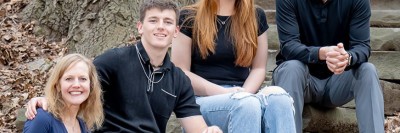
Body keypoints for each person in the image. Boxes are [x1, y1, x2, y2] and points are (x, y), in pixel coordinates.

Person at [24, 0, 222, 132]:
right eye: (153, 20)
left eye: (168, 22)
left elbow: (197, 128)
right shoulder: (115, 60)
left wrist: (209, 131)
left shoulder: (179, 80)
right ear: (140, 27)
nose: (161, 26)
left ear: (176, 31)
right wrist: (47, 99)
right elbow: (79, 85)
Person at [171, 0, 296, 132]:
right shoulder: (189, 16)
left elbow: (258, 68)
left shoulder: (255, 15)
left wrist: (244, 94)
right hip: (203, 100)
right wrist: (226, 94)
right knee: (246, 104)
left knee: (279, 98)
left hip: (244, 95)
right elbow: (180, 72)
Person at [272, 0, 385, 132]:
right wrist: (321, 53)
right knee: (291, 68)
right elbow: (288, 46)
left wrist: (347, 58)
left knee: (368, 71)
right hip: (300, 81)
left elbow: (362, 46)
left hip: (337, 83)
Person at [23, 54, 104, 133]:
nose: (76, 85)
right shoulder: (42, 119)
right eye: (69, 79)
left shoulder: (84, 126)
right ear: (58, 85)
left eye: (83, 79)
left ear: (91, 85)